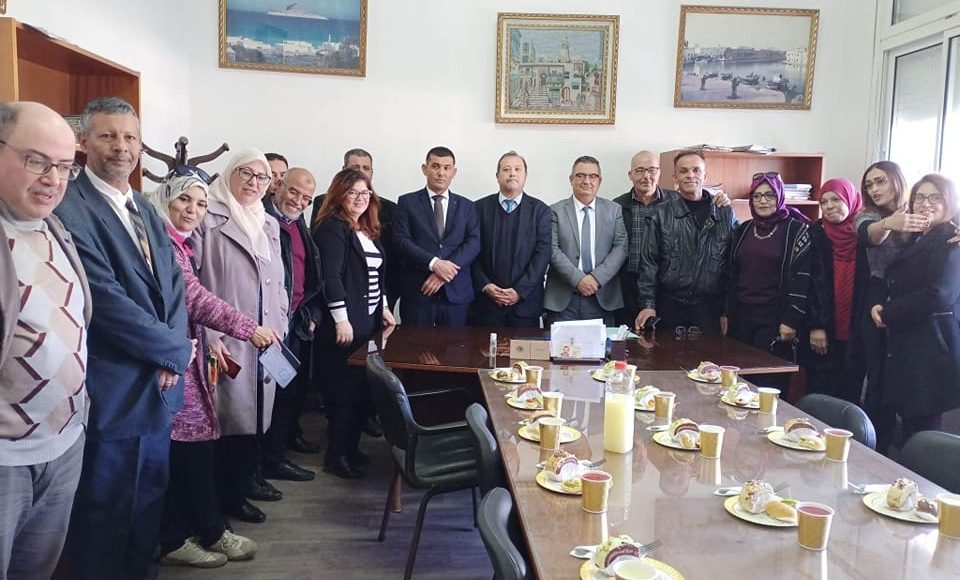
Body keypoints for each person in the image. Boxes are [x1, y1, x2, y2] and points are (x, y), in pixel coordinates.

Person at [54, 97, 194, 580]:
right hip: (113, 389)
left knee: (146, 511)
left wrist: (172, 356)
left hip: (159, 389)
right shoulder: (70, 208)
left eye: (130, 137)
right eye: (108, 136)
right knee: (104, 519)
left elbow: (173, 286)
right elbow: (104, 301)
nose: (121, 147)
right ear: (83, 141)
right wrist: (176, 350)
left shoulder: (143, 206)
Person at [149, 171, 269, 567]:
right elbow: (194, 298)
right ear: (166, 198)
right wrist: (248, 328)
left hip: (188, 357)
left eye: (201, 204)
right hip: (168, 365)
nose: (193, 210)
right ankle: (182, 538)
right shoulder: (162, 243)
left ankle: (207, 529)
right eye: (184, 200)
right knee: (184, 454)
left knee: (194, 452)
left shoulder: (178, 244)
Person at [0, 102, 90, 580]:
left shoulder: (55, 227)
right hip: (7, 460)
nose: (53, 179)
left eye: (64, 166)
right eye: (36, 161)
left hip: (63, 444)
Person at [192, 149, 288, 524]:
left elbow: (278, 282)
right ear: (229, 173)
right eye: (246, 173)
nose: (253, 183)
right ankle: (222, 501)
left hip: (266, 336)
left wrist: (280, 320)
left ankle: (243, 485)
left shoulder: (268, 223)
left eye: (261, 177)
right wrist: (209, 333)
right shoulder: (208, 216)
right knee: (227, 421)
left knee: (253, 418)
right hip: (225, 338)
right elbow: (193, 282)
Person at [313, 168, 396, 478]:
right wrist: (341, 319)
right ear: (339, 195)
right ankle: (336, 457)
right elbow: (330, 278)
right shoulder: (332, 227)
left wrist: (384, 308)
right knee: (344, 394)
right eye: (353, 193)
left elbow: (376, 276)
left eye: (365, 193)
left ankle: (350, 449)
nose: (361, 198)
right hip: (346, 325)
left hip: (368, 321)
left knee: (361, 391)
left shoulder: (365, 228)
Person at [870, 174, 960, 447]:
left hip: (932, 347)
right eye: (920, 197)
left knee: (923, 437)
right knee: (910, 427)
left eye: (934, 197)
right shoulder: (920, 237)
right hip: (911, 343)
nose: (925, 204)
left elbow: (938, 295)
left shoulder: (951, 240)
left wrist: (888, 312)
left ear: (949, 201)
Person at [613, 150, 730, 326]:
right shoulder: (618, 206)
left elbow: (731, 261)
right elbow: (647, 260)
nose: (646, 176)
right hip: (634, 288)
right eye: (640, 170)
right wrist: (648, 303)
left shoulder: (720, 211)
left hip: (702, 302)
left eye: (652, 170)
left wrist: (728, 310)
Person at [721, 172, 811, 390]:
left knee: (768, 383)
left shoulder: (796, 230)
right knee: (739, 382)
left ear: (780, 197)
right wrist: (726, 312)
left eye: (770, 195)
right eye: (757, 196)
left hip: (775, 318)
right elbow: (732, 274)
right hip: (742, 317)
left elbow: (803, 278)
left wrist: (791, 320)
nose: (763, 201)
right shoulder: (743, 229)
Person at [853, 161, 920, 452]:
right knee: (878, 377)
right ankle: (875, 450)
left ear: (896, 180)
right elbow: (868, 233)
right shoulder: (868, 215)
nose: (874, 189)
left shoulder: (918, 210)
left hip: (912, 300)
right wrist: (889, 223)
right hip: (877, 296)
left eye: (880, 181)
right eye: (869, 185)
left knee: (908, 378)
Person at [262, 167, 323, 477]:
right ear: (279, 186)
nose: (299, 201)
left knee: (289, 393)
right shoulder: (262, 220)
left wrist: (311, 315)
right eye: (294, 192)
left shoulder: (298, 223)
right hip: (269, 326)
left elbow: (308, 276)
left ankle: (278, 452)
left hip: (296, 321)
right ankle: (267, 462)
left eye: (307, 198)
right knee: (269, 397)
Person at [394, 146, 479, 327]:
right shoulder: (407, 202)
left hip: (456, 294)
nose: (441, 173)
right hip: (418, 292)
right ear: (425, 169)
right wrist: (434, 264)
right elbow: (401, 241)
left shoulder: (467, 206)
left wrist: (444, 272)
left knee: (456, 345)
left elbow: (473, 243)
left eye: (447, 168)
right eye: (435, 166)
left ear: (454, 172)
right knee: (415, 344)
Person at [543, 156, 627, 326]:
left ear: (599, 181)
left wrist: (596, 279)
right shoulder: (555, 210)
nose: (586, 181)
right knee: (561, 344)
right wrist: (578, 280)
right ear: (571, 179)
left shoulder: (614, 210)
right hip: (563, 299)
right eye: (580, 175)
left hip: (601, 296)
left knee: (601, 344)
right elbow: (552, 249)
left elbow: (621, 247)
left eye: (592, 176)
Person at [471, 151, 551, 327]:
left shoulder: (540, 211)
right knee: (483, 346)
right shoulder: (478, 209)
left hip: (525, 305)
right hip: (485, 304)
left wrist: (519, 291)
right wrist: (485, 285)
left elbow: (542, 255)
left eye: (517, 169)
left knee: (523, 346)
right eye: (506, 169)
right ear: (497, 176)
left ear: (525, 175)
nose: (512, 173)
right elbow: (471, 252)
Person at [806, 178, 865, 401]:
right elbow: (811, 283)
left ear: (851, 200)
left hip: (857, 329)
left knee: (850, 393)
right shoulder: (815, 232)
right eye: (824, 201)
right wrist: (817, 325)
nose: (829, 206)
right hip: (824, 329)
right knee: (820, 391)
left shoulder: (867, 234)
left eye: (836, 200)